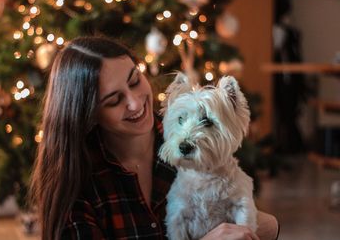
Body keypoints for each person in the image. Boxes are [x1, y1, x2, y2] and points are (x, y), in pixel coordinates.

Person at [30, 36, 279, 240]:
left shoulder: (183, 141)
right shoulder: (78, 181)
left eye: (135, 80)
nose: (135, 102)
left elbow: (255, 221)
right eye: (115, 100)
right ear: (89, 113)